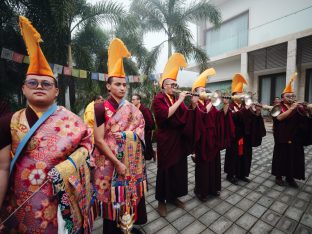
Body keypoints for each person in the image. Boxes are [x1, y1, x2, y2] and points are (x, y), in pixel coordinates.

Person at [0, 16, 93, 233]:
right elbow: (3, 167)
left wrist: (66, 167)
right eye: (32, 82)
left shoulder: (72, 120)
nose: (39, 86)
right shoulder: (8, 122)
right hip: (24, 204)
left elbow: (87, 147)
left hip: (65, 200)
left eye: (46, 83)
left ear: (56, 91)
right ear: (23, 88)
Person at [91, 38, 147, 234]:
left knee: (127, 198)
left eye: (124, 84)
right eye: (117, 84)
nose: (122, 88)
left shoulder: (131, 108)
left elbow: (140, 125)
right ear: (108, 86)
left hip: (130, 161)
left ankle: (127, 228)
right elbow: (98, 140)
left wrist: (127, 136)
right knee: (111, 200)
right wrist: (116, 161)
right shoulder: (99, 108)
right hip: (107, 163)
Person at [152, 53, 193, 217]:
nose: (174, 86)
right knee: (165, 170)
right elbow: (166, 114)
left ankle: (174, 196)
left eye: (176, 84)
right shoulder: (159, 99)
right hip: (166, 140)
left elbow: (185, 115)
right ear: (164, 85)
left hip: (178, 140)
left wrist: (194, 104)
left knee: (178, 169)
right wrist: (180, 100)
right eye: (171, 84)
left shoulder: (176, 98)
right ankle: (161, 201)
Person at [191, 68, 235, 201]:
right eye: (201, 90)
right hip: (202, 141)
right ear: (195, 93)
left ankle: (214, 188)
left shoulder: (209, 104)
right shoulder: (195, 105)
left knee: (214, 166)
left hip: (213, 140)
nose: (204, 92)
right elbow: (200, 116)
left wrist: (226, 105)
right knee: (203, 168)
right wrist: (211, 102)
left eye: (205, 90)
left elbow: (220, 118)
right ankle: (202, 192)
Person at [224, 73, 266, 185]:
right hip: (235, 136)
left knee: (245, 155)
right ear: (234, 95)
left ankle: (242, 174)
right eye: (239, 93)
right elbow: (233, 118)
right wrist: (246, 109)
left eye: (242, 93)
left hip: (245, 135)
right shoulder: (230, 106)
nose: (242, 95)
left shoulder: (244, 106)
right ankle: (230, 174)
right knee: (233, 155)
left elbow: (252, 120)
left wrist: (257, 112)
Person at [272, 72, 310, 188]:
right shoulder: (278, 107)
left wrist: (307, 110)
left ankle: (290, 177)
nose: (292, 98)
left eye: (293, 96)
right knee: (281, 157)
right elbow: (279, 118)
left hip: (295, 137)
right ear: (283, 97)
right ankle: (279, 176)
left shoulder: (297, 107)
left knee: (294, 158)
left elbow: (304, 119)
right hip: (282, 137)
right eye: (289, 96)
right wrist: (292, 109)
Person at [132, 94, 156, 160]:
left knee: (147, 144)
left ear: (138, 100)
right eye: (132, 100)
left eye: (133, 99)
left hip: (146, 130)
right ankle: (150, 153)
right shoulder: (134, 109)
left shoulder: (145, 110)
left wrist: (143, 129)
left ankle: (151, 154)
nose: (132, 101)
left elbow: (150, 122)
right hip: (138, 131)